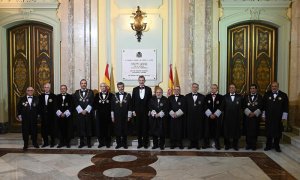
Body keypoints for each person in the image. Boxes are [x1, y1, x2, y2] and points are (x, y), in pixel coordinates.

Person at [262, 82, 289, 152]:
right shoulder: (267, 94)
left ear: (278, 87)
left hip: (279, 118)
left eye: (275, 86)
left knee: (278, 131)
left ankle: (277, 146)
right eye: (272, 86)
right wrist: (263, 115)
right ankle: (268, 145)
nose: (274, 87)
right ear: (271, 87)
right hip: (269, 117)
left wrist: (284, 117)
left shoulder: (283, 95)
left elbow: (286, 107)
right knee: (269, 131)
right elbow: (264, 106)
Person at [132, 75, 152, 149]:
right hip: (137, 112)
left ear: (144, 81)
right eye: (140, 80)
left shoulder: (149, 89)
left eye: (142, 80)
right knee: (138, 128)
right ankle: (140, 143)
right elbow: (133, 100)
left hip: (146, 112)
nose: (141, 81)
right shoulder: (134, 89)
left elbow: (150, 101)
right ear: (138, 81)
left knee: (145, 128)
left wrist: (150, 110)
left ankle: (145, 143)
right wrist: (133, 110)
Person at [73, 79, 94, 148]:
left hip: (88, 113)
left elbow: (91, 102)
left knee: (88, 128)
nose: (83, 84)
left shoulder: (90, 92)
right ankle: (81, 143)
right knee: (81, 128)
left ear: (86, 84)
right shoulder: (76, 92)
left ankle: (89, 143)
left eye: (85, 83)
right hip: (80, 113)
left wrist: (86, 110)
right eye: (82, 83)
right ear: (80, 84)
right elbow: (75, 102)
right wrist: (81, 110)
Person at [111, 82, 132, 149]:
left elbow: (130, 106)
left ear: (124, 87)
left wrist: (129, 116)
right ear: (117, 88)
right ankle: (118, 144)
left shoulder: (128, 95)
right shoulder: (114, 95)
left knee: (125, 130)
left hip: (125, 116)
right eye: (119, 87)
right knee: (118, 130)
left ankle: (124, 144)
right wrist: (112, 116)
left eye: (122, 87)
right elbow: (112, 107)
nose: (121, 88)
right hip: (117, 116)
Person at [222, 84, 243, 151]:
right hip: (227, 118)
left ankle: (235, 145)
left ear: (235, 89)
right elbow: (222, 107)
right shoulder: (225, 97)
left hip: (236, 118)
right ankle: (227, 145)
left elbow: (242, 107)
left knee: (236, 132)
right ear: (229, 89)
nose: (231, 89)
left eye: (233, 88)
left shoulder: (239, 97)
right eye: (230, 88)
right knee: (227, 132)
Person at [185, 83, 206, 149]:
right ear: (191, 88)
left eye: (196, 87)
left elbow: (204, 108)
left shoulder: (202, 97)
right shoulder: (187, 96)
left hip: (199, 117)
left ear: (198, 88)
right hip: (190, 117)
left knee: (198, 130)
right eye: (193, 87)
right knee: (190, 129)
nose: (195, 88)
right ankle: (191, 144)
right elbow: (185, 108)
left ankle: (197, 144)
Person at [243, 84, 263, 151]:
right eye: (251, 88)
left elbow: (261, 106)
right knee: (248, 131)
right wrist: (249, 113)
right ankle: (248, 145)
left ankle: (254, 145)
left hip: (255, 118)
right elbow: (243, 106)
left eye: (254, 88)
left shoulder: (260, 97)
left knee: (255, 131)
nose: (252, 89)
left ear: (256, 89)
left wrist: (254, 113)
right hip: (248, 117)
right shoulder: (246, 96)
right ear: (250, 89)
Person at [93, 83, 113, 148]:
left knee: (108, 130)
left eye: (104, 86)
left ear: (106, 87)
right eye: (101, 86)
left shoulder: (111, 95)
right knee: (100, 129)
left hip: (108, 115)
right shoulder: (96, 95)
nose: (103, 88)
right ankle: (101, 143)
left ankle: (108, 143)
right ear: (100, 88)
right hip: (99, 115)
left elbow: (112, 105)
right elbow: (94, 105)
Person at [204, 84, 223, 150]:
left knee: (216, 130)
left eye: (214, 88)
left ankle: (217, 144)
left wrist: (215, 114)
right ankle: (206, 144)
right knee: (207, 130)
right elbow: (205, 106)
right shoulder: (207, 96)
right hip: (208, 116)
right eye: (212, 88)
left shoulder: (221, 97)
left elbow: (221, 106)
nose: (213, 89)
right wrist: (210, 114)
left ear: (217, 89)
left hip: (217, 117)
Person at [39, 83, 57, 148]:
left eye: (47, 87)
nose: (46, 88)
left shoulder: (54, 96)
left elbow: (55, 107)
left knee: (52, 130)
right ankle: (45, 143)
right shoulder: (40, 96)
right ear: (44, 88)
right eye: (45, 87)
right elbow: (39, 106)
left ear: (50, 88)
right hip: (43, 116)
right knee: (44, 130)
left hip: (51, 116)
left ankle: (52, 143)